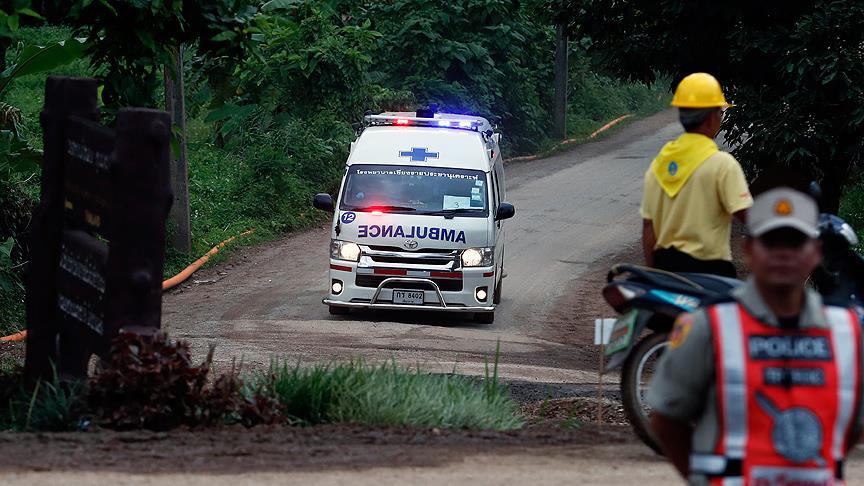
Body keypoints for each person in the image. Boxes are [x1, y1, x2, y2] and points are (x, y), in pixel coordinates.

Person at [647, 186, 863, 485]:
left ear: (815, 253)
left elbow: (853, 425)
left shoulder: (847, 331)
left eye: (795, 242)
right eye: (770, 242)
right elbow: (667, 422)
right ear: (749, 250)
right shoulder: (708, 325)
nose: (783, 253)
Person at [641, 72, 753, 278]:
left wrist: (654, 277)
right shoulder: (722, 165)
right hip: (712, 275)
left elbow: (649, 227)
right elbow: (750, 217)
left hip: (668, 274)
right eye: (720, 112)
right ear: (711, 118)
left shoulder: (659, 164)